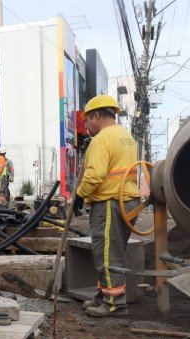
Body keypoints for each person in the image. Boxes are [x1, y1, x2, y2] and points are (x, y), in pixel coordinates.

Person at [74, 95, 139, 318]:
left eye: (87, 120)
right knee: (112, 252)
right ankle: (103, 296)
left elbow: (94, 175)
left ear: (97, 116)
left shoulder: (101, 140)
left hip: (109, 202)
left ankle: (115, 304)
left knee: (108, 255)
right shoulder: (125, 137)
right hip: (128, 201)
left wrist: (80, 195)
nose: (86, 126)